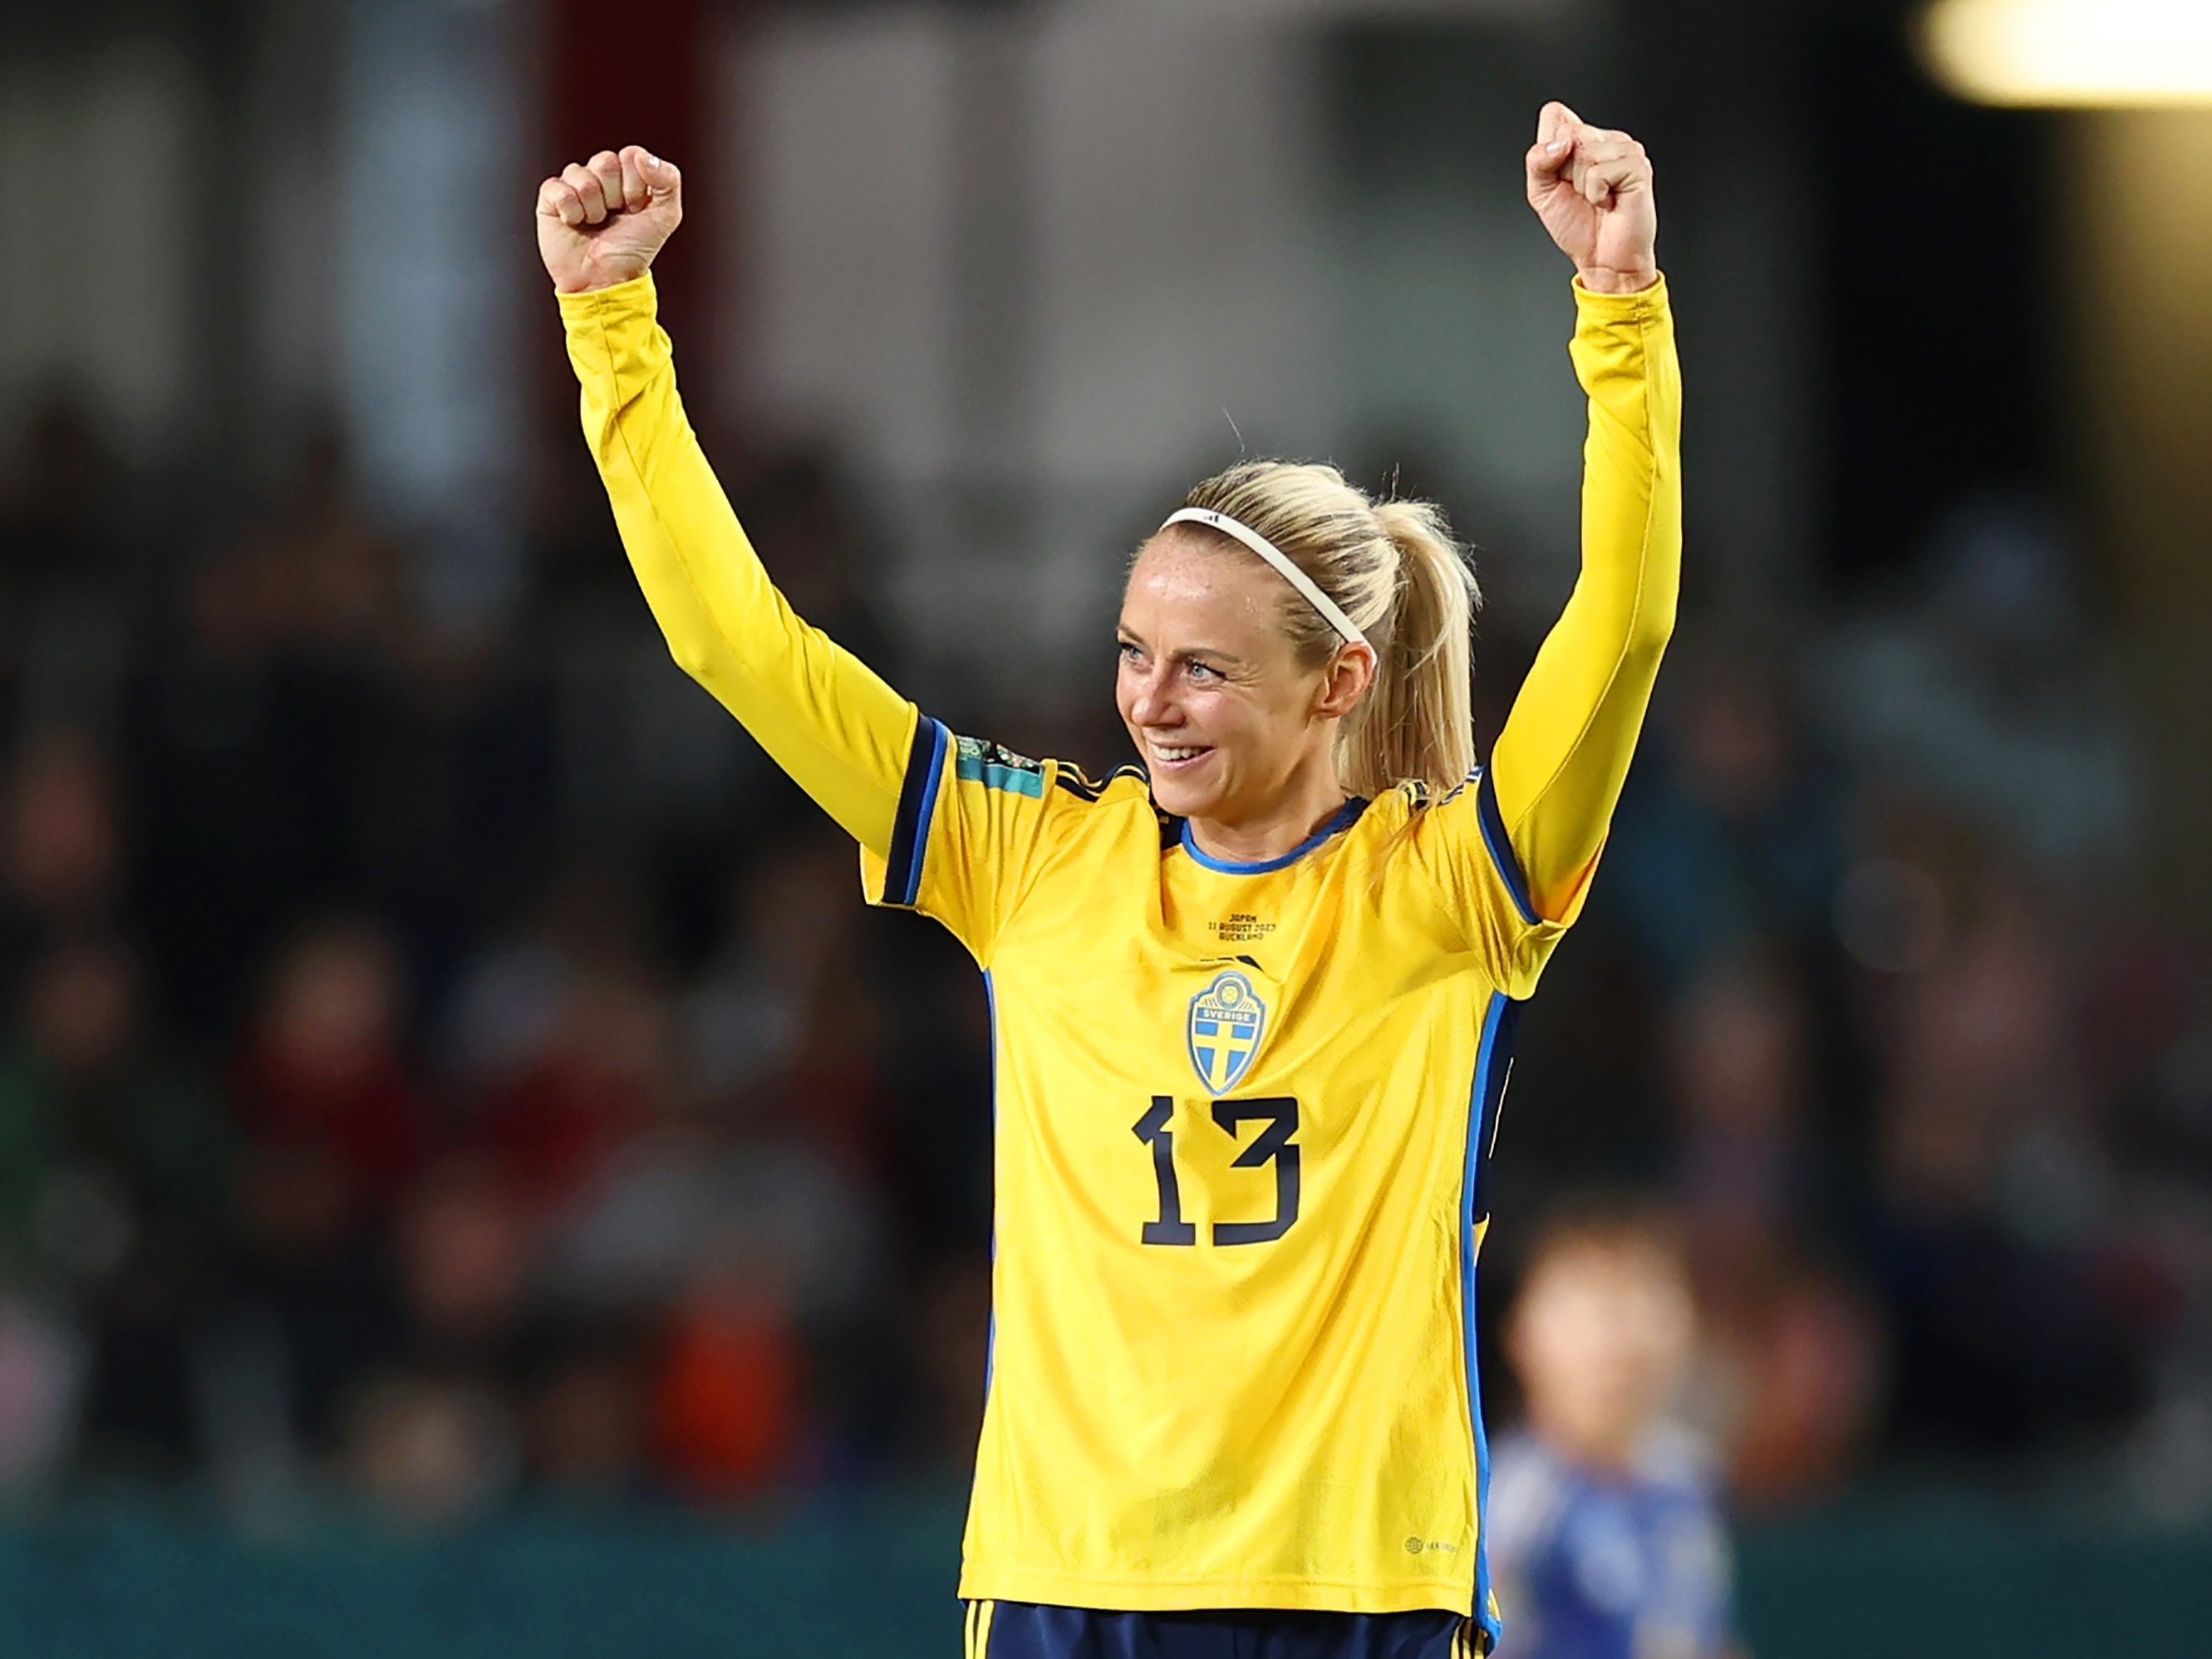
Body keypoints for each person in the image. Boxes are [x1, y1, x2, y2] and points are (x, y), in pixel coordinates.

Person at [536, 96, 1678, 1659]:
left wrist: (1619, 315)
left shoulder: (1454, 891)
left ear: (1338, 685)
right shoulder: (1035, 855)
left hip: (1363, 1589)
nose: (1146, 700)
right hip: (1074, 1581)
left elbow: (1618, 627)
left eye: (1202, 669)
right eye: (1134, 653)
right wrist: (614, 328)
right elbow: (736, 644)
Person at [1487, 1203, 1738, 1659]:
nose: (1620, 1341)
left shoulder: (1688, 1477)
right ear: (1520, 1334)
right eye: (1592, 1307)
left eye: (1645, 1298)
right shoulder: (1509, 1504)